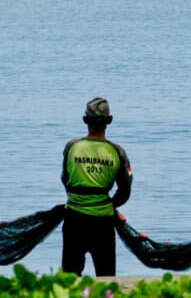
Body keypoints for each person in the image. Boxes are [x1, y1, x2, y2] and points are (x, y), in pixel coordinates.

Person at [61, 97, 133, 277]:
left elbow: (66, 180)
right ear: (109, 121)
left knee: (69, 279)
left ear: (85, 120)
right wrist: (108, 205)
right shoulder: (118, 152)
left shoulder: (72, 147)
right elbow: (124, 192)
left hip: (74, 220)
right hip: (103, 224)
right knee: (106, 278)